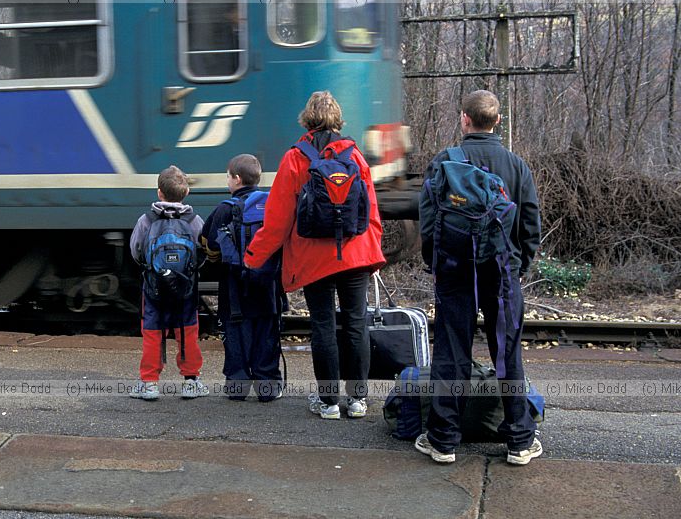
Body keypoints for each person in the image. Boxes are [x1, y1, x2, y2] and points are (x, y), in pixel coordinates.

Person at [415, 89, 542, 465]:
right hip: (502, 272)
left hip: (455, 271)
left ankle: (442, 440)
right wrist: (518, 265)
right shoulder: (517, 166)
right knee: (507, 352)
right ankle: (519, 441)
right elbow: (530, 225)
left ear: (463, 119)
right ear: (497, 121)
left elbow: (427, 222)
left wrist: (437, 264)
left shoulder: (444, 163)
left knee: (452, 352)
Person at [244, 91, 385, 419]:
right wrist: (374, 254)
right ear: (339, 119)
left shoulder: (295, 158)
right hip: (355, 254)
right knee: (355, 322)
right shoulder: (355, 156)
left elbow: (278, 220)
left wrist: (254, 257)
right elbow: (371, 210)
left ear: (306, 120)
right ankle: (358, 400)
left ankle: (329, 402)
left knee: (322, 324)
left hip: (313, 258)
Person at [200, 154, 283, 402]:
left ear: (236, 179)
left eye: (227, 176)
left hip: (235, 288)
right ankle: (267, 387)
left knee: (236, 335)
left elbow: (208, 243)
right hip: (268, 287)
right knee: (267, 334)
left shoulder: (225, 208)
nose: (227, 181)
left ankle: (237, 386)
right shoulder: (272, 205)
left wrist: (220, 261)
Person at [128, 165, 208, 401]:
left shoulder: (146, 220)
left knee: (152, 332)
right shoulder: (194, 220)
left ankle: (150, 383)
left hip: (154, 287)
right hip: (186, 288)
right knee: (188, 331)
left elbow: (136, 251)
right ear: (186, 194)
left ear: (159, 192)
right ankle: (191, 381)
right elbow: (202, 252)